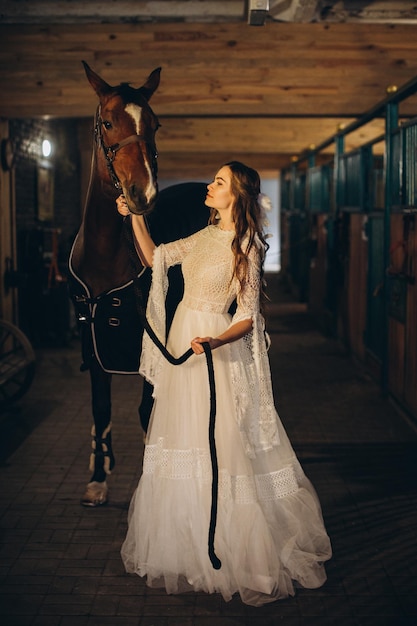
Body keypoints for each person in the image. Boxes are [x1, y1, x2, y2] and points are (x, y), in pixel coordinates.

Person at [117, 161, 332, 607]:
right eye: (213, 180)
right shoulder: (203, 235)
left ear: (237, 194)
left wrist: (215, 339)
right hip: (183, 345)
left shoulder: (246, 244)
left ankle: (243, 553)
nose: (209, 187)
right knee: (184, 439)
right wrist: (135, 216)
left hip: (215, 348)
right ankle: (190, 546)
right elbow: (156, 258)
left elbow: (248, 315)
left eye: (219, 182)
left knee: (225, 443)